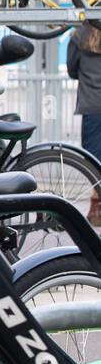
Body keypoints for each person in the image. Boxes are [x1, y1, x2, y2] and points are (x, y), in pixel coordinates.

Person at [66, 25, 101, 224]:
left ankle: (97, 206)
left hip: (91, 106)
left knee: (94, 160)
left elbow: (71, 70)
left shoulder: (80, 35)